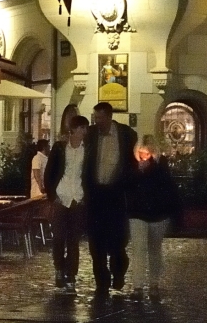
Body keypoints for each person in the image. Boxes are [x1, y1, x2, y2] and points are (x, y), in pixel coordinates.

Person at [82, 101, 139, 292]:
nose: (97, 121)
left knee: (117, 241)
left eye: (100, 118)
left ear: (109, 116)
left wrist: (129, 187)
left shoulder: (126, 135)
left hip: (116, 194)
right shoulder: (90, 135)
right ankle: (102, 281)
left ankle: (118, 272)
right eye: (95, 117)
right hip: (95, 195)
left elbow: (132, 164)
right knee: (95, 241)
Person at [126, 140, 183, 301]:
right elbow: (126, 183)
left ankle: (154, 284)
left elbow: (168, 189)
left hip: (158, 214)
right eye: (141, 153)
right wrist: (137, 172)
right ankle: (138, 286)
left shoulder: (161, 166)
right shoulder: (133, 165)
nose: (143, 156)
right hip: (137, 213)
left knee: (154, 250)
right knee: (138, 249)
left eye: (147, 153)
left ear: (153, 153)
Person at [41, 113, 91, 290]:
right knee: (59, 237)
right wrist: (52, 196)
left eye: (86, 128)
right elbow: (50, 173)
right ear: (74, 130)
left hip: (78, 198)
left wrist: (86, 196)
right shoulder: (61, 148)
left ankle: (71, 274)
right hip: (61, 197)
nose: (85, 131)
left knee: (73, 240)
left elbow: (88, 175)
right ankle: (59, 269)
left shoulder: (88, 149)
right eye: (82, 128)